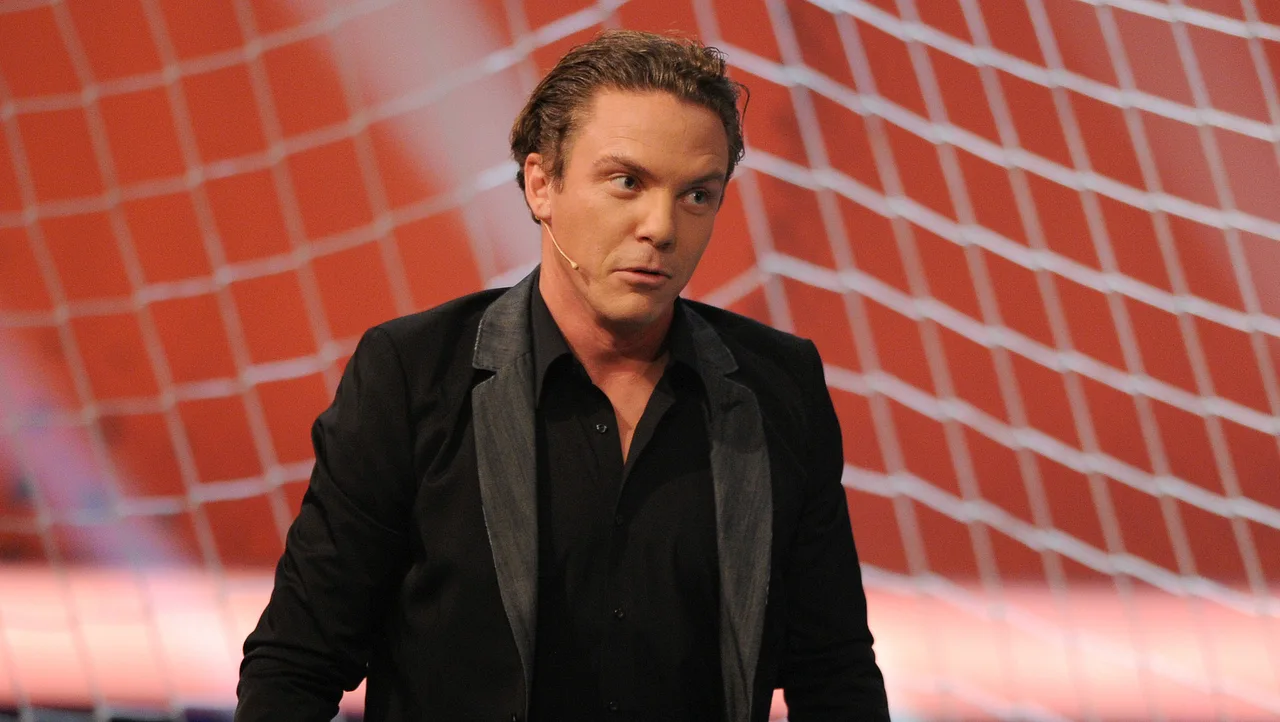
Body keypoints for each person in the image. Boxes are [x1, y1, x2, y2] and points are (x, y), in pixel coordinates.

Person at [236, 29, 889, 722]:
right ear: (541, 184)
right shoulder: (412, 375)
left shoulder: (777, 386)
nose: (661, 227)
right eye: (627, 182)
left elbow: (834, 671)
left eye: (698, 194)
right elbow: (297, 663)